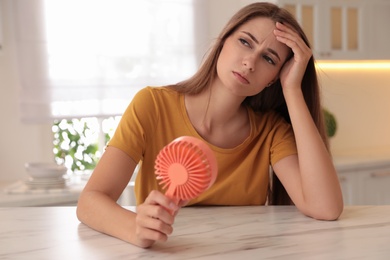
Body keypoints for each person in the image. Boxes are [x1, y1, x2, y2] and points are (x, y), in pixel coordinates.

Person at [76, 2, 343, 248]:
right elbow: (90, 201)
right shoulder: (153, 105)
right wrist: (136, 228)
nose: (250, 62)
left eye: (269, 59)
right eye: (245, 42)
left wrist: (293, 89)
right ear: (223, 41)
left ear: (274, 78)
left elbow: (326, 208)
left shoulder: (270, 132)